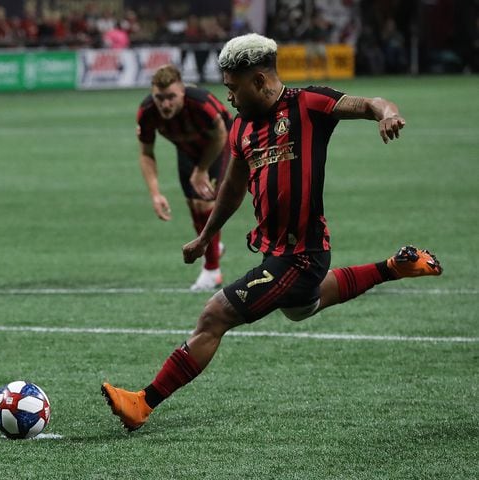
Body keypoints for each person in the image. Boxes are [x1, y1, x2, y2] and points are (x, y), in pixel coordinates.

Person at [102, 33, 442, 431]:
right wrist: (206, 237)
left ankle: (144, 402)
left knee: (214, 316)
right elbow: (230, 188)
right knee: (304, 307)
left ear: (260, 81)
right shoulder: (242, 126)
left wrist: (387, 113)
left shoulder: (309, 104)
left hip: (301, 255)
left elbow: (369, 103)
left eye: (232, 88)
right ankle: (392, 267)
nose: (228, 97)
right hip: (276, 252)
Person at [136, 64, 233, 291]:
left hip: (221, 144)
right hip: (186, 149)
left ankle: (212, 271)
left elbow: (221, 135)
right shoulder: (147, 112)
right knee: (193, 203)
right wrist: (155, 193)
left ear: (182, 91)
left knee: (204, 201)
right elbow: (146, 153)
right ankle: (211, 245)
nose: (165, 104)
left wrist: (201, 171)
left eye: (171, 97)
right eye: (160, 98)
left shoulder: (200, 103)